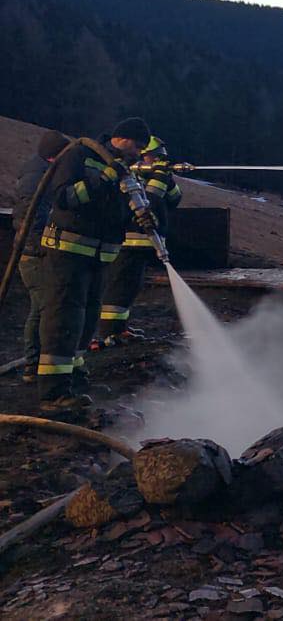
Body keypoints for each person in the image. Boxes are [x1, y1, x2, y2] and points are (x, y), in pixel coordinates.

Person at [32, 118, 150, 415]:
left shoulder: (123, 170)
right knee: (64, 319)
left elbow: (113, 212)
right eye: (137, 147)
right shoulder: (80, 155)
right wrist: (105, 178)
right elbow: (64, 198)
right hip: (68, 253)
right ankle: (53, 392)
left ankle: (74, 378)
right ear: (123, 138)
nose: (138, 154)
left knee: (86, 320)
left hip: (98, 257)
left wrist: (139, 217)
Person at [95, 133, 183, 348]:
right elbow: (148, 201)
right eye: (155, 157)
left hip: (145, 243)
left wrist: (167, 176)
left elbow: (174, 199)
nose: (159, 161)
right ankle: (107, 332)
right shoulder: (130, 175)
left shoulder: (157, 176)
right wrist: (159, 176)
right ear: (142, 156)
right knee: (118, 288)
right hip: (128, 243)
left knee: (130, 288)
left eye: (162, 157)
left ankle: (119, 328)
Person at [12, 129, 74, 384]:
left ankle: (35, 362)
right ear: (53, 156)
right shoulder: (37, 178)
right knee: (42, 307)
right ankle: (32, 364)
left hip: (35, 251)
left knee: (43, 307)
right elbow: (30, 217)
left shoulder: (41, 172)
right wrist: (43, 247)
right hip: (33, 254)